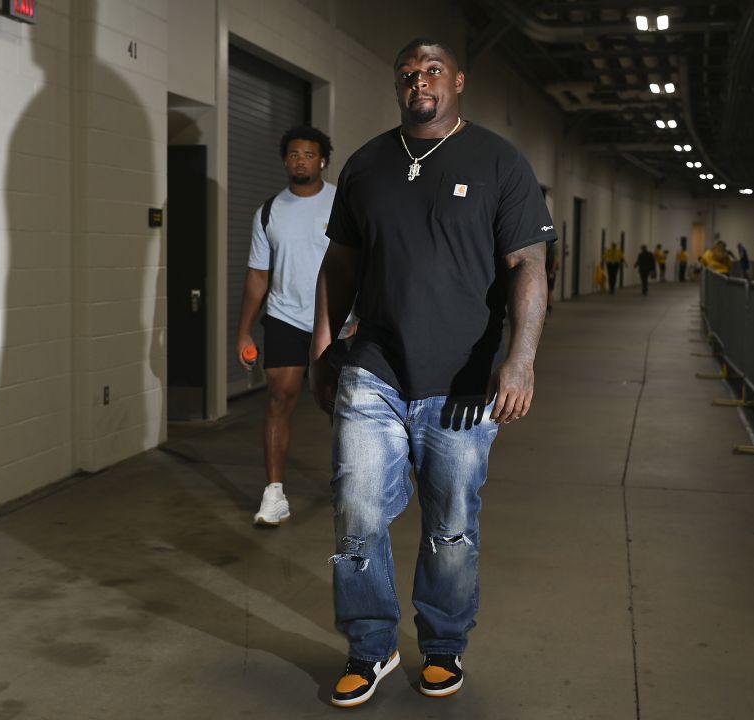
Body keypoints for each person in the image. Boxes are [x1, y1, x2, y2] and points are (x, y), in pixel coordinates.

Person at [309, 37, 554, 708]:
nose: (420, 80)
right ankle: (370, 646)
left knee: (450, 523)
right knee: (356, 512)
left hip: (465, 382)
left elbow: (529, 264)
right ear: (399, 85)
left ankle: (442, 646)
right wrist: (323, 354)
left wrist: (521, 359)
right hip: (375, 369)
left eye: (434, 70)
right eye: (409, 72)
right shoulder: (365, 165)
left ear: (459, 81)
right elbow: (340, 269)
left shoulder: (500, 162)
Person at [236, 125, 337, 527]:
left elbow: (366, 263)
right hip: (285, 317)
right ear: (285, 160)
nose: (300, 161)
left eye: (308, 155)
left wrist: (361, 317)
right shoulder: (268, 211)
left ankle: (348, 484)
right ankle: (274, 494)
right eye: (293, 154)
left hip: (337, 320)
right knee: (280, 396)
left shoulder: (343, 204)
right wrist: (243, 330)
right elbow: (258, 276)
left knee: (338, 404)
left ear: (323, 160)